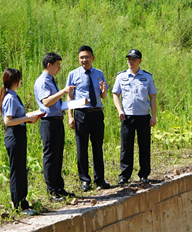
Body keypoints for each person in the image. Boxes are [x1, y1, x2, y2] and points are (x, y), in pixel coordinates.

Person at [66, 45, 111, 191]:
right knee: (82, 148)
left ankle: (100, 179)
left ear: (93, 58)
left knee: (97, 146)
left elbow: (103, 96)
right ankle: (85, 179)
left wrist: (103, 91)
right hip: (82, 114)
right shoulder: (73, 74)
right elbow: (70, 96)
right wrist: (70, 116)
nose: (84, 60)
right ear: (78, 59)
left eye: (86, 57)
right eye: (81, 57)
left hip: (97, 113)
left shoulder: (99, 73)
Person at [34, 53, 76, 202]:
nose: (59, 68)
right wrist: (62, 92)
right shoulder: (42, 82)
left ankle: (59, 187)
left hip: (57, 120)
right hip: (48, 122)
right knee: (50, 156)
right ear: (49, 65)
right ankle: (52, 191)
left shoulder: (51, 80)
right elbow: (46, 102)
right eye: (57, 65)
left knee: (58, 155)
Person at [112, 49, 157, 185]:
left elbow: (153, 97)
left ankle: (144, 174)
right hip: (127, 117)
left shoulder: (147, 77)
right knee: (126, 146)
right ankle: (124, 175)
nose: (130, 62)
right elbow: (115, 94)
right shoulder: (121, 76)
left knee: (144, 146)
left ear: (140, 61)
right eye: (129, 59)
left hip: (143, 116)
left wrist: (154, 116)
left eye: (134, 59)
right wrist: (119, 110)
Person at [0, 68, 41, 213]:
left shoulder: (13, 96)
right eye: (19, 79)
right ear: (15, 81)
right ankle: (17, 204)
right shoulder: (10, 98)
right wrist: (27, 118)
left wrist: (29, 117)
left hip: (20, 134)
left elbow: (17, 117)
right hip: (14, 135)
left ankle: (23, 201)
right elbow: (8, 121)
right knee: (17, 171)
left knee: (22, 169)